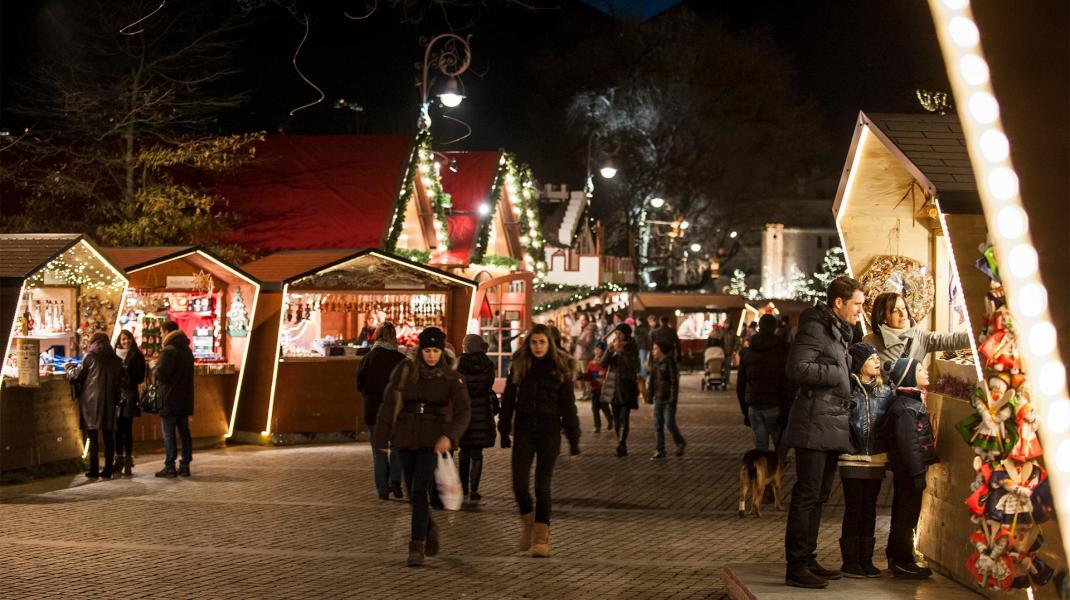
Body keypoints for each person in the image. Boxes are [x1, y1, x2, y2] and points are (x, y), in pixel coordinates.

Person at [782, 276, 865, 589]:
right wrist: (836, 373)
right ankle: (797, 564)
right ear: (838, 303)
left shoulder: (838, 330)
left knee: (818, 495)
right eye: (856, 304)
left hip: (829, 422)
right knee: (806, 494)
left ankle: (808, 558)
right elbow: (797, 368)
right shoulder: (815, 327)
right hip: (813, 423)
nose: (860, 310)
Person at [374, 327, 471, 567]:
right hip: (405, 436)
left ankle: (416, 546)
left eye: (435, 351)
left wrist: (450, 436)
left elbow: (464, 411)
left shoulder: (451, 378)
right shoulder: (406, 371)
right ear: (420, 350)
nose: (431, 355)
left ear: (441, 351)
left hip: (433, 438)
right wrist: (381, 438)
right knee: (411, 491)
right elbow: (389, 402)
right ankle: (428, 527)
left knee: (419, 490)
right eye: (427, 350)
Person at [499, 323, 581, 558]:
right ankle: (528, 521)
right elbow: (508, 400)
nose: (537, 346)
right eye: (534, 342)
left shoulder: (560, 368)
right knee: (519, 485)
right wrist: (503, 429)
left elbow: (568, 406)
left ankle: (541, 538)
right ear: (528, 343)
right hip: (524, 430)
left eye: (542, 342)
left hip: (549, 432)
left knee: (542, 486)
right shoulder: (519, 365)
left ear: (549, 344)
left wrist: (573, 440)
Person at [837, 343, 892, 578]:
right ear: (859, 364)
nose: (877, 362)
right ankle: (850, 561)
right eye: (871, 359)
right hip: (851, 458)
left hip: (876, 458)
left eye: (877, 358)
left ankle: (865, 559)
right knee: (854, 508)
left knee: (869, 509)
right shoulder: (849, 390)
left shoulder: (886, 391)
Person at [884, 356, 937, 579]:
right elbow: (909, 444)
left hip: (908, 470)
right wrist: (917, 473)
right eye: (920, 369)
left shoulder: (911, 403)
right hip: (908, 471)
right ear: (908, 375)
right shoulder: (907, 407)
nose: (926, 371)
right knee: (906, 516)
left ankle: (899, 557)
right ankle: (903, 560)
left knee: (904, 514)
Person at [356, 322, 407, 500]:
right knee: (397, 448)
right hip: (395, 412)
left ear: (376, 335)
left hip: (374, 412)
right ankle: (395, 481)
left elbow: (359, 384)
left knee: (379, 451)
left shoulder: (368, 358)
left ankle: (383, 490)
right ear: (394, 337)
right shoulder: (401, 359)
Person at [863, 292, 971, 367]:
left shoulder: (919, 336)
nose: (902, 314)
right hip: (884, 399)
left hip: (911, 398)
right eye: (895, 310)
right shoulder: (869, 342)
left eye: (904, 308)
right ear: (883, 317)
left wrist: (977, 336)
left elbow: (951, 340)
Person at [67, 333, 123, 479]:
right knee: (108, 436)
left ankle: (93, 469)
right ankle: (108, 470)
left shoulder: (90, 357)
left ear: (93, 342)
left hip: (91, 403)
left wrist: (68, 369)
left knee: (92, 436)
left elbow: (77, 376)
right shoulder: (116, 360)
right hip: (110, 402)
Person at [736, 314, 791, 458]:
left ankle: (762, 476)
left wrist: (745, 409)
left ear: (759, 327)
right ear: (775, 328)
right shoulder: (782, 352)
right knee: (780, 446)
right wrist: (787, 409)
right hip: (775, 405)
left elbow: (741, 384)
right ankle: (775, 473)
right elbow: (787, 384)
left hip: (754, 406)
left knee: (760, 449)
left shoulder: (747, 353)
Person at [456, 334, 498, 502]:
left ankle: (463, 486)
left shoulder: (459, 363)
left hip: (464, 412)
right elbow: (489, 385)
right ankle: (474, 489)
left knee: (464, 452)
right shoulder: (487, 363)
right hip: (481, 411)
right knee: (477, 454)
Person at [154, 320, 195, 478]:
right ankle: (185, 465)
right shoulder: (187, 350)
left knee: (169, 433)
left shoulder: (168, 351)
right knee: (184, 432)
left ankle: (170, 465)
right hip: (184, 398)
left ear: (165, 332)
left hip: (170, 398)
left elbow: (163, 374)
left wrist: (154, 368)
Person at [602, 323, 641, 457]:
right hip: (613, 385)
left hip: (626, 385)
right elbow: (602, 364)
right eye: (616, 333)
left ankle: (621, 444)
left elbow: (635, 365)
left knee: (624, 417)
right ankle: (621, 444)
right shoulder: (612, 346)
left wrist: (621, 352)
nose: (617, 335)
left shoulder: (632, 346)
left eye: (619, 333)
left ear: (626, 334)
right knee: (617, 419)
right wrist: (609, 351)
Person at [114, 330, 146, 477]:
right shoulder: (113, 355)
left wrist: (129, 372)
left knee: (127, 429)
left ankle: (128, 460)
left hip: (130, 395)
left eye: (128, 339)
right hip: (116, 396)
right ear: (119, 341)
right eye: (123, 339)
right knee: (117, 429)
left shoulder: (137, 355)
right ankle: (118, 458)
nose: (126, 341)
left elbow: (140, 377)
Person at [648, 340, 685, 459]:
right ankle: (660, 449)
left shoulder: (669, 362)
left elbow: (674, 381)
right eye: (653, 349)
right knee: (658, 424)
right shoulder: (655, 363)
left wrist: (673, 397)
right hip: (658, 398)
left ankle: (680, 442)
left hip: (668, 398)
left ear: (661, 350)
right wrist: (650, 396)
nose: (653, 351)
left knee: (669, 423)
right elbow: (652, 381)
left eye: (655, 349)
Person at [582, 341, 613, 433]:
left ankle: (610, 419)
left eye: (599, 349)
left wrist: (600, 377)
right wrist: (587, 381)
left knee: (604, 406)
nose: (596, 351)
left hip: (602, 388)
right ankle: (597, 425)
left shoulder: (605, 363)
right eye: (596, 349)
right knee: (595, 408)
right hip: (594, 388)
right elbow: (588, 375)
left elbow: (605, 373)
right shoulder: (591, 363)